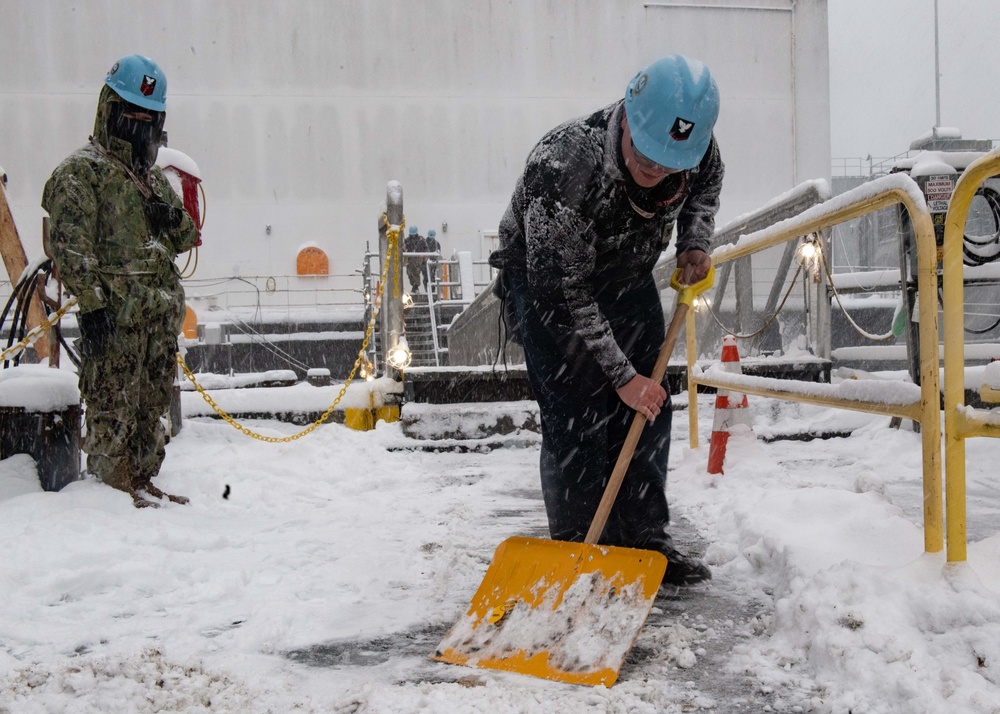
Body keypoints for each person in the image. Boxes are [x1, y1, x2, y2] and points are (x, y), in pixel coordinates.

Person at [488, 54, 722, 586]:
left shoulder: (696, 151)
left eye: (670, 162)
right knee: (577, 411)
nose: (656, 169)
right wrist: (620, 378)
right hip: (549, 284)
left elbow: (707, 184)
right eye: (645, 154)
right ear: (630, 117)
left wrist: (694, 242)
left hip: (626, 273)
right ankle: (578, 549)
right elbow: (564, 296)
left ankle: (644, 540)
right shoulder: (565, 164)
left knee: (650, 404)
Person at [42, 54, 199, 508]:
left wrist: (169, 215)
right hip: (115, 322)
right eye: (132, 115)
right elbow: (70, 248)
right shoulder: (81, 173)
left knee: (150, 411)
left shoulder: (149, 180)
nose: (140, 127)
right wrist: (93, 309)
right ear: (110, 109)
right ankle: (112, 493)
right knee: (114, 408)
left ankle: (142, 479)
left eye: (148, 119)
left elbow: (186, 234)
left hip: (156, 321)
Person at [404, 225, 425, 292]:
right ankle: (414, 285)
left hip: (418, 259)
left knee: (416, 271)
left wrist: (424, 256)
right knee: (409, 272)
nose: (413, 237)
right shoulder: (407, 240)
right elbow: (403, 249)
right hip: (409, 259)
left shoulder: (421, 240)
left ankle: (415, 286)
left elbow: (426, 248)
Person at [423, 228, 441, 292]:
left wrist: (435, 260)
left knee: (432, 277)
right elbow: (422, 252)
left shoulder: (437, 244)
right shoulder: (424, 242)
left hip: (433, 263)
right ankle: (427, 290)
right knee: (426, 277)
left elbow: (438, 253)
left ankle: (432, 290)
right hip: (425, 263)